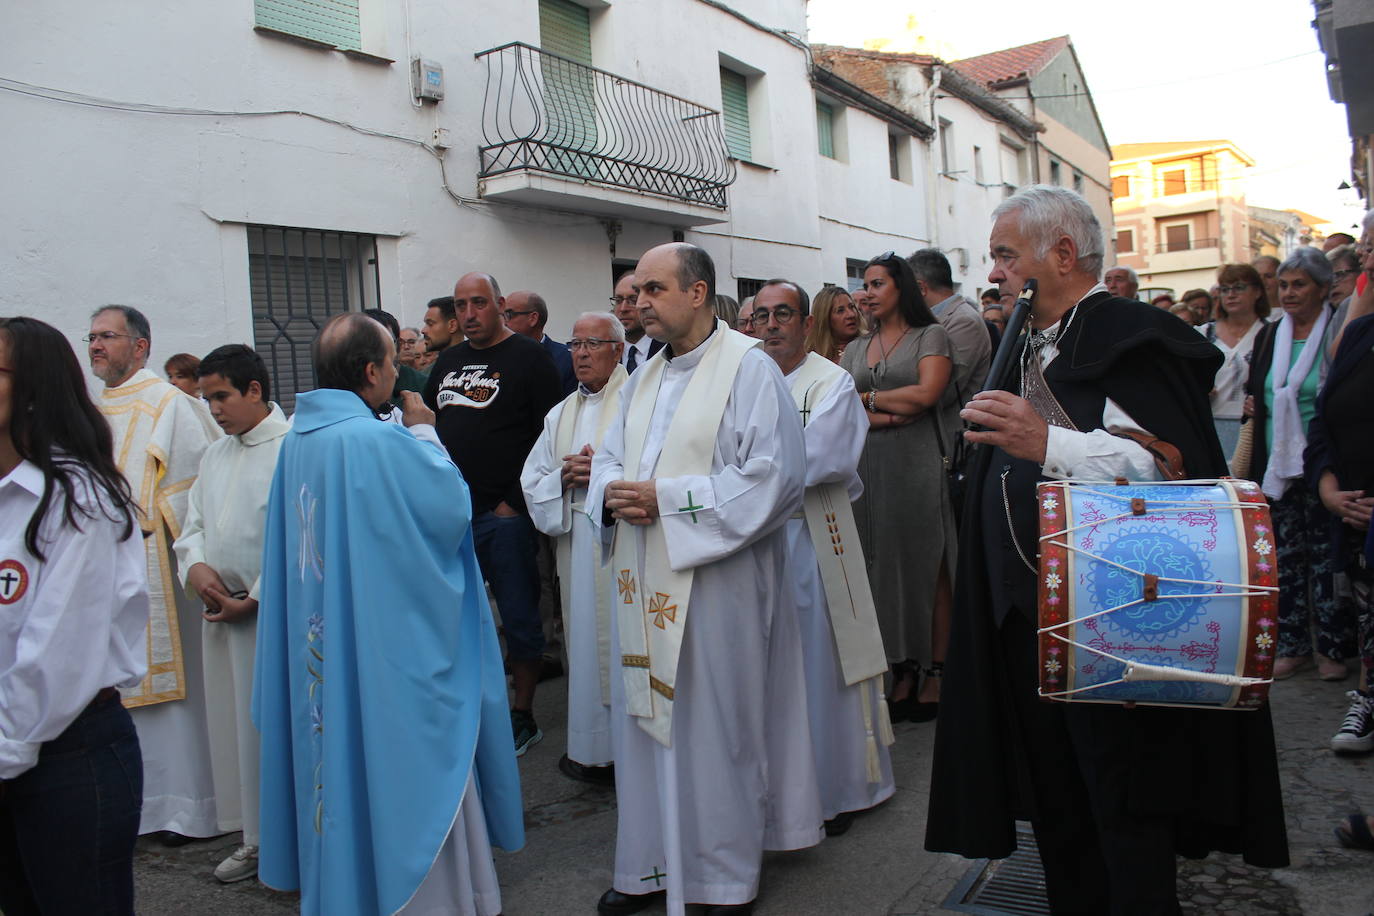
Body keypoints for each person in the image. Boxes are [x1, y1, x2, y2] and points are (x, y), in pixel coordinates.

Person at [927, 186, 1288, 913]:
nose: (993, 273)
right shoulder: (1022, 340)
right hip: (1021, 617)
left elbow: (1170, 473)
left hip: (1113, 620)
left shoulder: (1132, 335)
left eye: (1006, 255)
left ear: (1062, 254)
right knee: (1055, 808)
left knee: (1124, 806)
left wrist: (1046, 441)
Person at [254, 313, 523, 916]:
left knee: (335, 752)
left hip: (325, 631)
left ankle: (350, 889)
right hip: (381, 645)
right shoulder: (377, 440)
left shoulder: (297, 440)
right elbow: (447, 508)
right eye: (393, 364)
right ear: (373, 371)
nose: (399, 374)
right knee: (391, 755)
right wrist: (425, 433)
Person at [586, 243, 822, 916]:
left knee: (717, 725)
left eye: (653, 289)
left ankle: (723, 877)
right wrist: (612, 493)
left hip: (720, 581)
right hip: (644, 575)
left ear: (697, 293)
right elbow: (609, 458)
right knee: (647, 719)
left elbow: (775, 477)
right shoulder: (643, 376)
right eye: (635, 292)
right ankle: (649, 866)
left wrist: (667, 499)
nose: (639, 303)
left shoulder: (748, 367)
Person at [0, 317, 148, 916]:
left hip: (68, 755)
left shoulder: (77, 498)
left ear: (35, 388)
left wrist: (6, 751)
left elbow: (57, 651)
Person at [752, 279, 895, 836]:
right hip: (751, 540)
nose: (770, 324)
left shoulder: (831, 382)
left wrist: (742, 477)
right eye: (761, 315)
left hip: (810, 539)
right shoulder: (746, 378)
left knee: (818, 665)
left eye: (783, 313)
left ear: (806, 323)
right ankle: (774, 795)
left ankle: (836, 788)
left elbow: (821, 460)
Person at [88, 305, 222, 842]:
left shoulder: (169, 403)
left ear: (140, 346)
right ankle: (142, 808)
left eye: (107, 336)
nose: (96, 345)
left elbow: (195, 488)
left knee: (177, 700)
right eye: (92, 337)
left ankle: (192, 808)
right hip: (110, 567)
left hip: (162, 568)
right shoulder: (93, 408)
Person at [424, 272, 564, 755]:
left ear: (500, 305)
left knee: (519, 614)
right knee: (456, 617)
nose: (468, 313)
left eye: (478, 303)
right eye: (461, 304)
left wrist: (512, 501)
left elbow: (549, 433)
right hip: (453, 515)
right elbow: (428, 423)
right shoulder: (448, 361)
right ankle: (471, 707)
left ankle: (523, 713)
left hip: (504, 516)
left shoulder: (529, 358)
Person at [171, 344, 289, 884]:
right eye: (206, 399)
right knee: (236, 733)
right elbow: (192, 524)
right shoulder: (215, 454)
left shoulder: (292, 450)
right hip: (222, 613)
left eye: (221, 396)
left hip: (272, 616)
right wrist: (196, 568)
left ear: (255, 390)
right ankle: (254, 838)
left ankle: (292, 839)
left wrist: (257, 597)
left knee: (272, 732)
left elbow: (298, 533)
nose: (214, 410)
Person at [840, 252, 953, 721]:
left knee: (927, 566)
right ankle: (901, 669)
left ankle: (936, 672)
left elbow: (927, 395)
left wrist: (868, 400)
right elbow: (843, 406)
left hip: (918, 464)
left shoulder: (931, 335)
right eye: (864, 284)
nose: (866, 293)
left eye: (876, 284)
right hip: (869, 466)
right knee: (881, 567)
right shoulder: (856, 347)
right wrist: (887, 411)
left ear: (901, 287)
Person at [521, 312, 629, 784]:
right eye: (575, 344)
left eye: (593, 344)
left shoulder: (640, 399)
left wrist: (603, 474)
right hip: (577, 545)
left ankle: (631, 752)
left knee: (624, 647)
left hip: (625, 543)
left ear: (618, 351)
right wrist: (562, 478)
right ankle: (591, 749)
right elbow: (532, 480)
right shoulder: (560, 413)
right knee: (585, 646)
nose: (581, 354)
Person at [1245, 247, 1349, 681]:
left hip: (1327, 465)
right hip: (1278, 466)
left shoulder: (1339, 330)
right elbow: (1259, 389)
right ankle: (1293, 646)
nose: (1288, 293)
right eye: (1283, 284)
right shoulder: (1270, 335)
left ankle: (1332, 649)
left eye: (1299, 285)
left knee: (1328, 560)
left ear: (1323, 288)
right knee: (1285, 559)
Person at [1304, 297, 1374, 752]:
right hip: (1356, 512)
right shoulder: (1359, 333)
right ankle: (1369, 700)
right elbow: (1323, 422)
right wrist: (1327, 485)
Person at [1199, 264, 1269, 457]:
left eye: (1239, 288)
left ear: (1257, 292)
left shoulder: (1270, 333)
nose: (1231, 295)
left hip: (1253, 428)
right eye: (1225, 289)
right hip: (1209, 426)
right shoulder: (1203, 334)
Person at [506, 290, 577, 396]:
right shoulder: (499, 356)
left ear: (533, 318)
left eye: (509, 315)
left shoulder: (567, 360)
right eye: (501, 315)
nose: (503, 322)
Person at [612, 272, 663, 374]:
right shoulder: (607, 353)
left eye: (633, 300)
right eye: (618, 300)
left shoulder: (669, 349)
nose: (623, 308)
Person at [803, 286, 863, 363]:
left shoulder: (870, 346)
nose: (851, 315)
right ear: (824, 318)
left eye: (852, 307)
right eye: (840, 311)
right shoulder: (810, 358)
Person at [421, 295, 463, 359]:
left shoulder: (476, 362)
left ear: (452, 326)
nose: (423, 330)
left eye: (430, 324)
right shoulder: (437, 365)